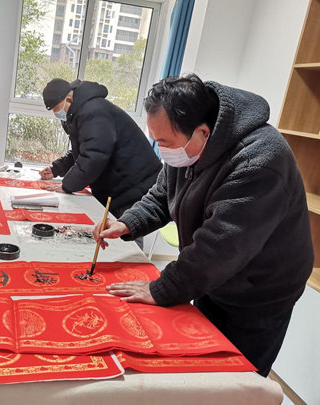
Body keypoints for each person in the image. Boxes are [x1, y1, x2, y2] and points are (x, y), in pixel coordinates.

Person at [93, 73, 314, 377]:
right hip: (214, 278)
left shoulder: (260, 161)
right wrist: (127, 222)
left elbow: (220, 247)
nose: (162, 150)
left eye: (165, 142)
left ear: (202, 132)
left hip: (260, 293)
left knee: (237, 379)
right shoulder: (187, 149)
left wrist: (162, 288)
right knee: (199, 362)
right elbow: (162, 195)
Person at [40, 78, 162, 249]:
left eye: (57, 109)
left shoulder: (94, 111)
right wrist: (56, 169)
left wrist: (67, 185)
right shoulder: (78, 113)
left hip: (133, 184)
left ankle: (133, 266)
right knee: (114, 234)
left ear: (69, 99)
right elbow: (81, 151)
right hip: (121, 185)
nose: (57, 114)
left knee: (129, 236)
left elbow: (94, 155)